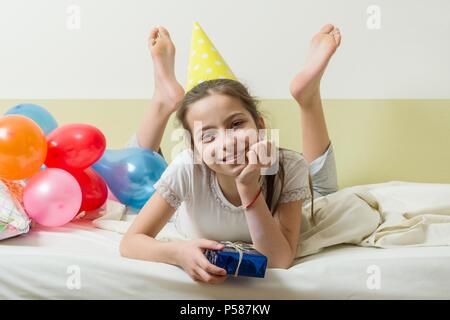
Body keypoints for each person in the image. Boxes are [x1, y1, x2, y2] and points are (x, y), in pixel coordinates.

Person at [120, 24, 340, 284]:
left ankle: (309, 98)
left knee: (324, 193)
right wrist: (177, 253)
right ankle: (163, 100)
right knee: (135, 175)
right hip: (186, 192)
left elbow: (279, 260)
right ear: (194, 148)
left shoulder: (288, 167)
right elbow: (130, 243)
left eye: (236, 124)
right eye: (208, 136)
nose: (227, 143)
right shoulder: (187, 167)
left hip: (279, 174)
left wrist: (249, 189)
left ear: (260, 125)